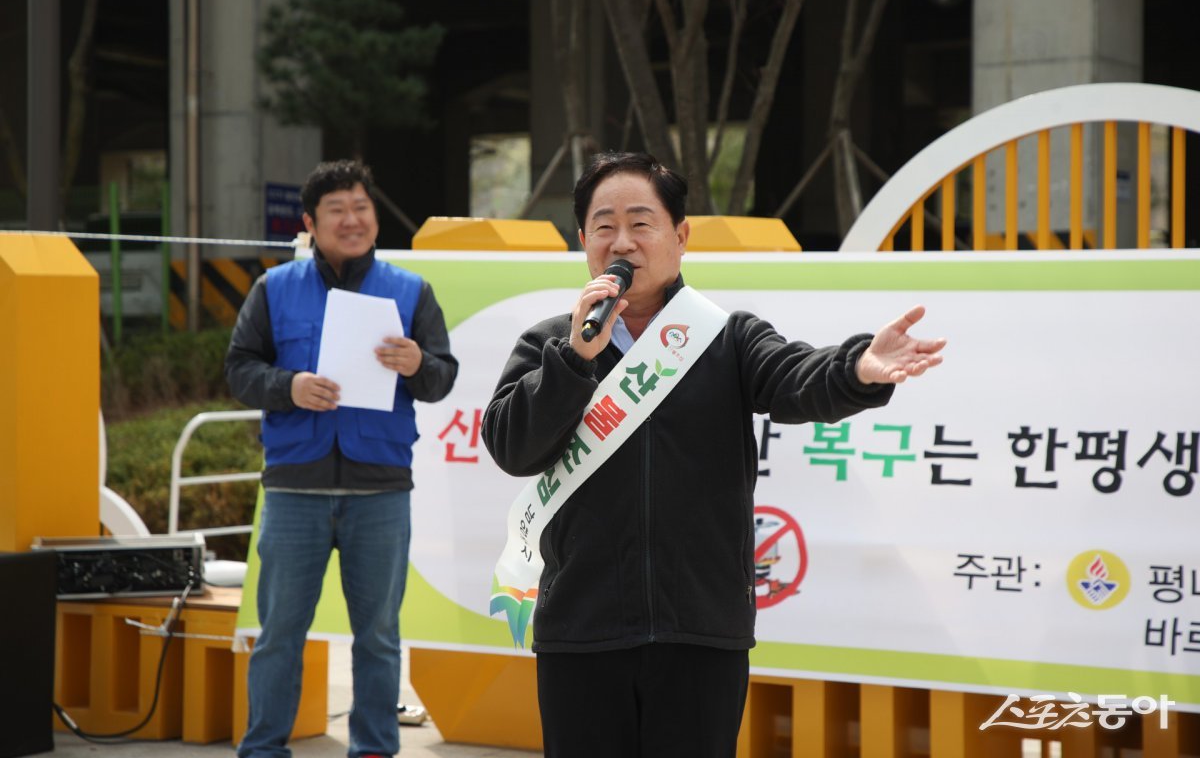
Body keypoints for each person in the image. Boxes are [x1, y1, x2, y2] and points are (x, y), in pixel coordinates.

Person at [481, 151, 944, 758]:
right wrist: (573, 361)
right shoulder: (552, 343)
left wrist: (857, 367)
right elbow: (512, 447)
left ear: (680, 236)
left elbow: (797, 377)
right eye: (604, 226)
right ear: (583, 239)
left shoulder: (727, 338)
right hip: (581, 629)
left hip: (701, 630)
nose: (622, 242)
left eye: (641, 223)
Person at [226, 159, 458, 758]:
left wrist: (418, 364)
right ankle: (263, 749)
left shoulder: (411, 290)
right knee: (279, 633)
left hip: (380, 490)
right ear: (310, 222)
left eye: (361, 207)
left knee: (378, 636)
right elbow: (239, 370)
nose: (352, 220)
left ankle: (374, 748)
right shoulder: (274, 288)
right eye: (337, 210)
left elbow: (442, 378)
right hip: (294, 490)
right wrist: (289, 386)